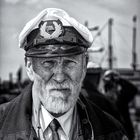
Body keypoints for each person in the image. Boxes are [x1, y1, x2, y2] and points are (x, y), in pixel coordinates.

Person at [0, 8, 128, 140]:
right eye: (48, 63)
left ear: (84, 65)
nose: (60, 77)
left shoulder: (112, 132)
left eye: (70, 62)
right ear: (29, 66)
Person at [102, 70, 138, 140]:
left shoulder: (122, 99)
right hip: (112, 132)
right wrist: (119, 80)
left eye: (114, 85)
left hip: (123, 131)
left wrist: (119, 80)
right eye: (110, 86)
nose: (113, 88)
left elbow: (133, 90)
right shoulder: (103, 100)